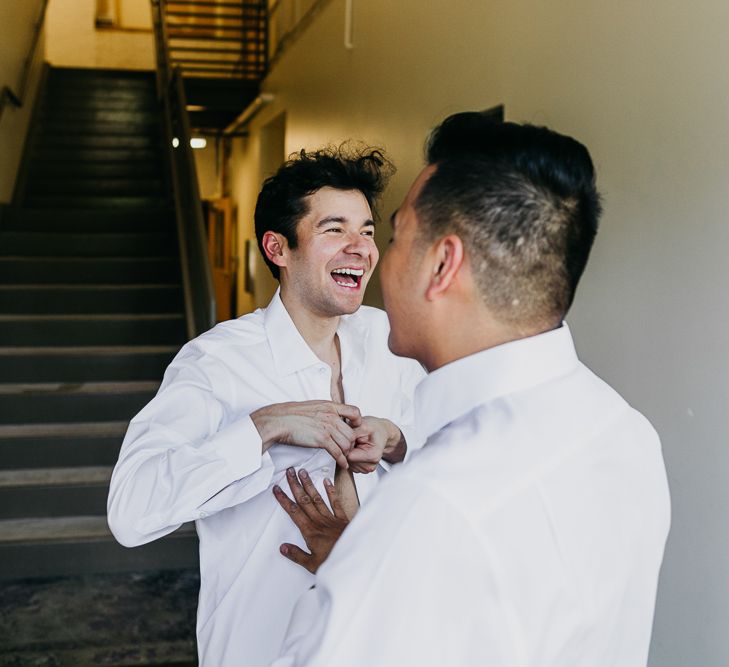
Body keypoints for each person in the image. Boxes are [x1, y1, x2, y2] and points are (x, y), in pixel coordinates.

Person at [272, 115, 671, 666]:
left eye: (393, 236)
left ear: (442, 264)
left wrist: (357, 566)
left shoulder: (431, 505)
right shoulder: (627, 432)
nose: (374, 260)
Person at [107, 145, 425, 667]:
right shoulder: (215, 362)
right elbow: (131, 512)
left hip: (379, 637)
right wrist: (262, 426)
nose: (360, 248)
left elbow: (449, 455)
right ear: (278, 248)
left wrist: (396, 440)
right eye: (334, 230)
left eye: (367, 231)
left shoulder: (391, 339)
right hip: (264, 646)